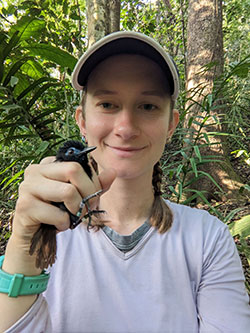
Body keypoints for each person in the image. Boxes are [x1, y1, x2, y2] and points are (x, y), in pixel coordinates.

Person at [0, 31, 249, 333]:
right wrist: (22, 245)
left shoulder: (207, 238)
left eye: (147, 106)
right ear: (82, 120)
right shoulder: (48, 225)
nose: (126, 128)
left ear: (171, 124)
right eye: (107, 104)